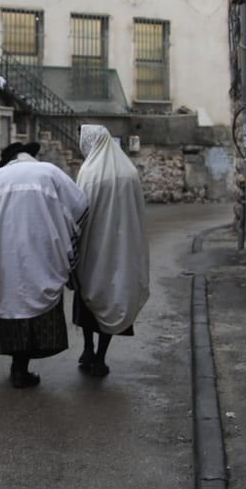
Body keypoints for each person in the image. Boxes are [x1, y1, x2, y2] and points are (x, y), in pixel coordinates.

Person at [0, 143, 89, 388]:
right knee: (38, 311)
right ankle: (24, 366)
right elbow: (80, 206)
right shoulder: (49, 173)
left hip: (5, 258)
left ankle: (17, 365)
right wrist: (66, 238)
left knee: (12, 304)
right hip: (42, 255)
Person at [72, 124, 151, 378]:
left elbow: (79, 212)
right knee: (114, 295)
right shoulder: (128, 171)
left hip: (92, 250)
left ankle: (87, 349)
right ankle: (100, 356)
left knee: (88, 296)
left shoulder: (89, 172)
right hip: (121, 250)